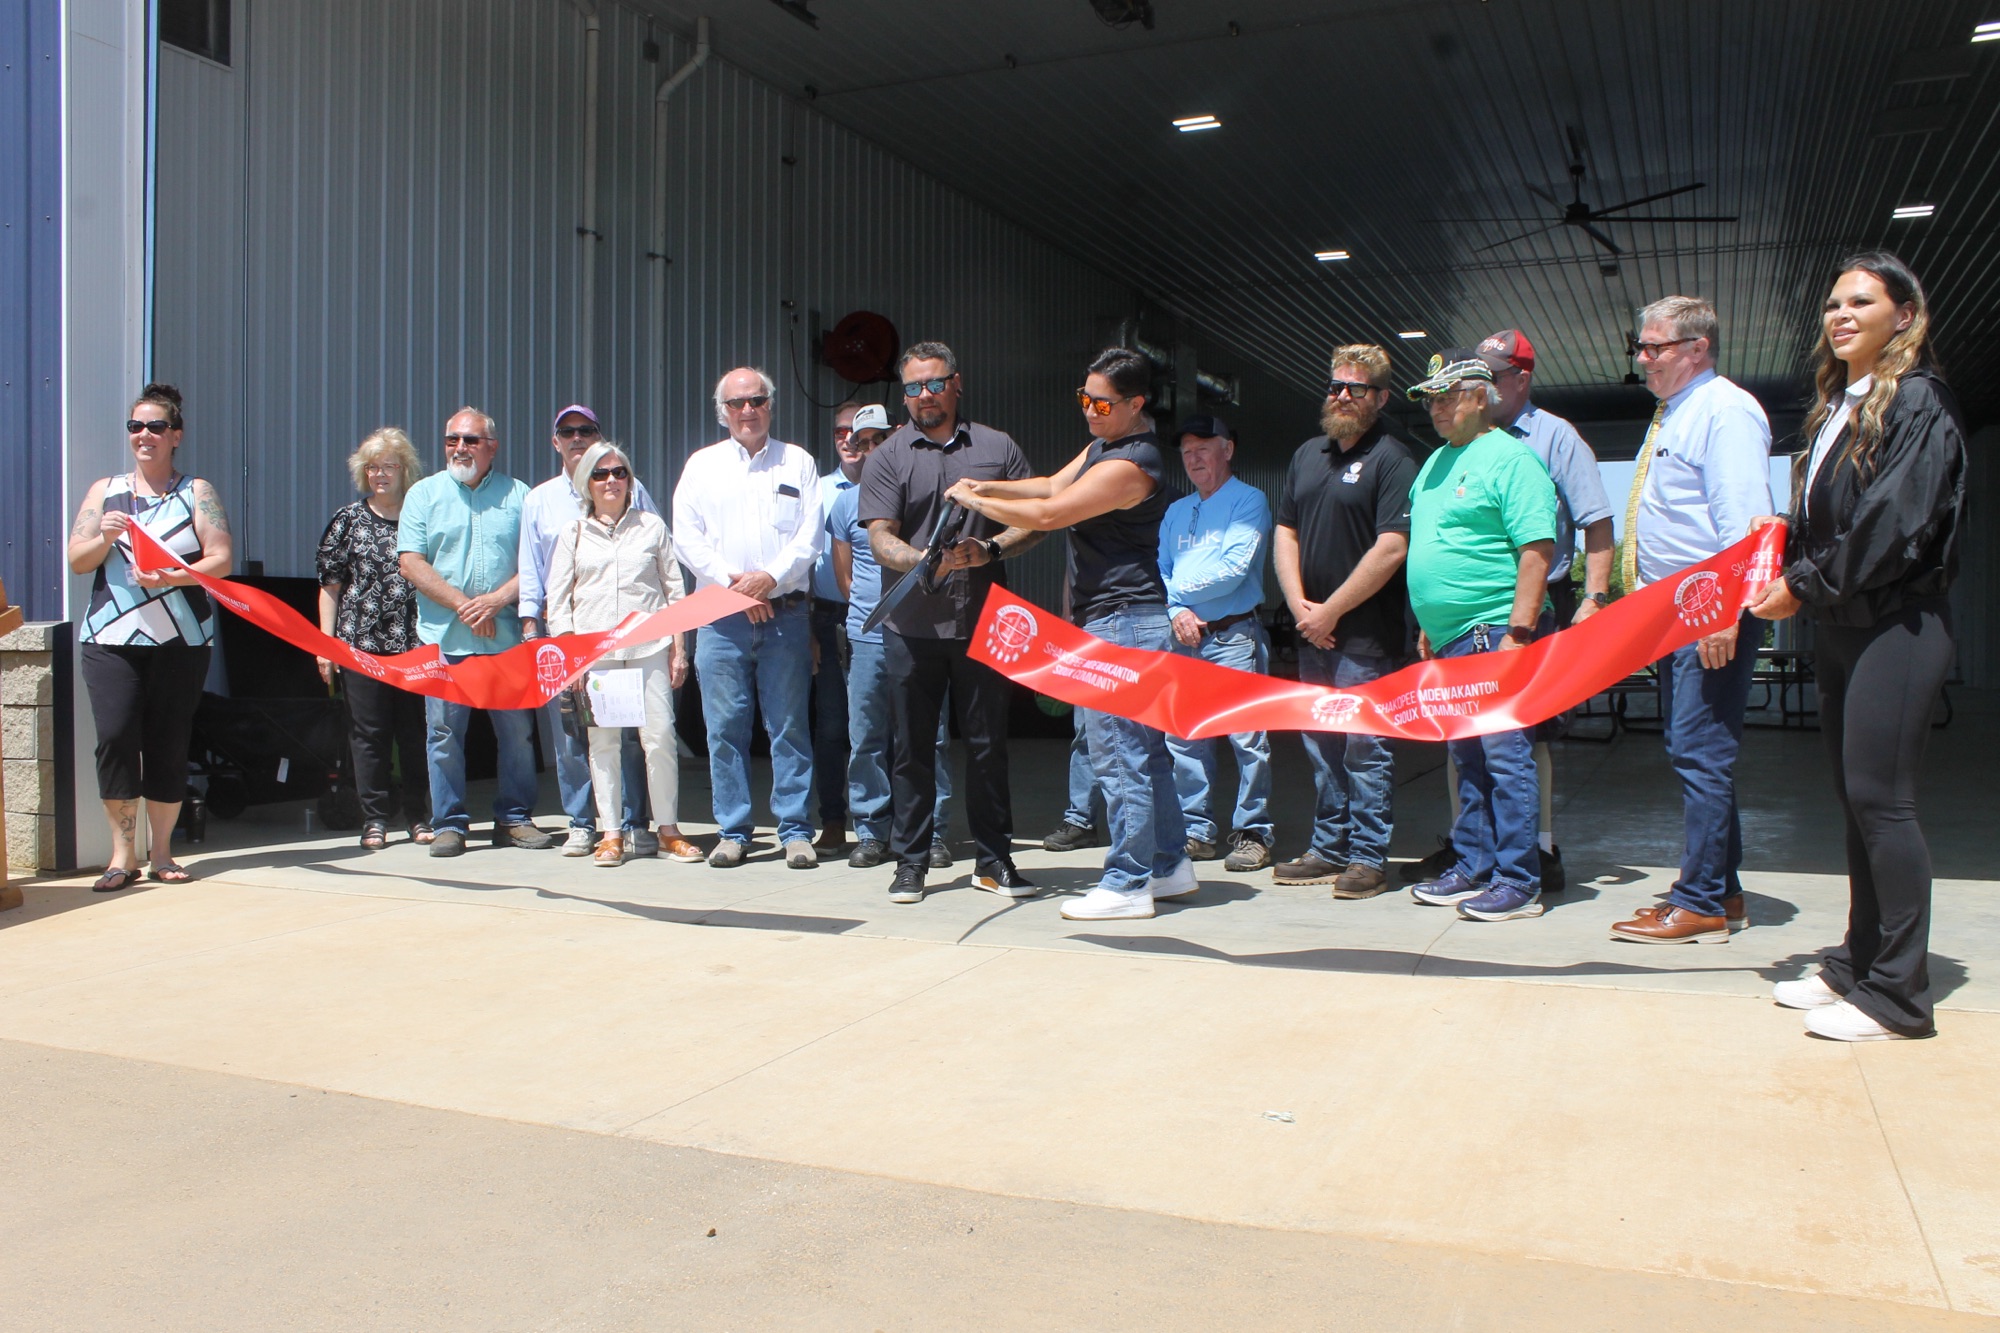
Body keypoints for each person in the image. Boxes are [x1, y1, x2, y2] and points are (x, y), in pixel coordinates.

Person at [1745, 253, 1964, 1040]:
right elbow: (1833, 514)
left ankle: (1898, 994)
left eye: (1861, 302)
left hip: (1896, 625)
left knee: (1884, 800)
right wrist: (1783, 548)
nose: (1840, 315)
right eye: (1834, 303)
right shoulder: (1844, 401)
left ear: (1903, 316)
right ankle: (1858, 960)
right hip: (1843, 623)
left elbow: (1893, 520)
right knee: (1854, 799)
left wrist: (1802, 582)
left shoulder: (1920, 401)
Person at [946, 347, 1187, 921]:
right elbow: (1052, 485)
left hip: (1126, 619)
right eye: (1084, 398)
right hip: (1119, 617)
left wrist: (975, 500)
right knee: (1146, 754)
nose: (1089, 410)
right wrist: (987, 486)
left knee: (1120, 753)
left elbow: (1055, 515)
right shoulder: (1105, 446)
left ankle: (1129, 882)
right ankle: (1169, 864)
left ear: (1136, 403)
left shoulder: (1135, 462)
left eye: (1101, 402)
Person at [1606, 297, 1773, 944]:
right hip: (1673, 615)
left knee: (1702, 753)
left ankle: (1699, 898)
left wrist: (1724, 615)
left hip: (1709, 612)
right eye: (1640, 347)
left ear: (1697, 348)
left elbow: (1743, 524)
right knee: (1690, 748)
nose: (1642, 359)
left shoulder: (1723, 410)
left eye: (1655, 348)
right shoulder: (1676, 413)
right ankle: (1720, 890)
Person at [859, 341, 1042, 905]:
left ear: (956, 383)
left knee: (988, 745)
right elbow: (879, 535)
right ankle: (910, 862)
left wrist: (990, 549)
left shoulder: (996, 447)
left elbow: (1035, 520)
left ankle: (994, 860)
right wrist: (922, 561)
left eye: (934, 383)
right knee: (912, 748)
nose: (924, 396)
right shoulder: (888, 455)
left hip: (984, 622)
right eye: (912, 388)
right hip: (912, 626)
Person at [1402, 351, 1557, 923]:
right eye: (1430, 400)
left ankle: (1519, 881)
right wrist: (1428, 622)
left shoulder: (1511, 459)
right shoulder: (1436, 462)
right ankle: (1474, 864)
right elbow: (1433, 546)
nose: (1437, 409)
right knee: (1466, 756)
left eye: (1447, 397)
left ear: (1479, 396)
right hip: (1449, 639)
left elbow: (1537, 549)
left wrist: (1519, 631)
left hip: (1494, 632)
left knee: (1503, 755)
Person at [67, 383, 234, 890]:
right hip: (110, 638)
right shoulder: (105, 491)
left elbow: (221, 560)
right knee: (117, 737)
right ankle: (122, 856)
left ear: (175, 436)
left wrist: (171, 577)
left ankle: (162, 852)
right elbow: (77, 561)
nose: (144, 435)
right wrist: (106, 536)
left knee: (167, 741)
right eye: (136, 426)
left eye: (156, 426)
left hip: (181, 639)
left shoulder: (196, 491)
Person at [1270, 345, 1418, 898]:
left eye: (1356, 388)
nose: (1342, 396)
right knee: (1321, 742)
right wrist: (1300, 605)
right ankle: (1329, 846)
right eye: (1335, 386)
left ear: (1379, 398)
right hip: (1314, 633)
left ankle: (1367, 856)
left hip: (1364, 637)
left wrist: (1330, 610)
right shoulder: (1308, 454)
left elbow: (1392, 547)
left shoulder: (1393, 458)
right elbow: (1286, 531)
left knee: (1364, 745)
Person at [672, 367, 824, 870]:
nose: (747, 410)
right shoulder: (701, 466)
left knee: (788, 726)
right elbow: (687, 540)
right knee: (725, 729)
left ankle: (796, 831)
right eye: (737, 403)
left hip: (785, 615)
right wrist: (739, 588)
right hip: (720, 619)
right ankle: (733, 831)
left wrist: (768, 579)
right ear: (723, 412)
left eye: (757, 400)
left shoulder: (797, 462)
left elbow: (808, 538)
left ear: (770, 405)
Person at [397, 407, 553, 858]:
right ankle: (449, 823)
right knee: (443, 734)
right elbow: (411, 562)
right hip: (444, 639)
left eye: (470, 440)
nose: (459, 448)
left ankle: (515, 818)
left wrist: (497, 599)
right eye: (452, 439)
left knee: (517, 735)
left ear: (492, 447)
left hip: (505, 640)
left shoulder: (519, 495)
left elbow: (537, 562)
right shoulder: (423, 495)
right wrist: (466, 605)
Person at [544, 441, 701, 866]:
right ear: (586, 483)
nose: (611, 480)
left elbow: (674, 590)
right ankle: (611, 833)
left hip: (651, 647)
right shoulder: (572, 534)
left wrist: (679, 648)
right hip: (599, 655)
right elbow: (557, 602)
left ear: (630, 480)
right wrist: (572, 655)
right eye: (600, 474)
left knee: (660, 738)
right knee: (604, 743)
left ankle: (667, 829)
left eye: (619, 473)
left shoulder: (651, 527)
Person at [518, 405, 661, 858]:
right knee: (572, 734)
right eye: (568, 431)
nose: (577, 437)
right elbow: (532, 569)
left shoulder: (631, 490)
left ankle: (634, 823)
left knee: (630, 736)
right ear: (555, 440)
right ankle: (583, 823)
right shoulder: (539, 499)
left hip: (630, 640)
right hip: (570, 634)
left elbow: (659, 558)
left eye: (587, 430)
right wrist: (530, 625)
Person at [827, 404, 955, 870]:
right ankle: (873, 831)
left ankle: (932, 831)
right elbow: (845, 577)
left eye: (878, 439)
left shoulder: (925, 493)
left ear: (897, 435)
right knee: (866, 738)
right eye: (861, 443)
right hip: (869, 637)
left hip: (923, 634)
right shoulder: (846, 503)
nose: (869, 449)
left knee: (929, 739)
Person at [1158, 414, 1276, 872]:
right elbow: (1162, 567)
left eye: (1203, 448)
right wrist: (1176, 612)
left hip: (1232, 635)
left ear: (1227, 450)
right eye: (1186, 452)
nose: (1193, 459)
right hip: (1183, 636)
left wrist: (1177, 599)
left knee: (1247, 737)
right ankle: (1196, 831)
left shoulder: (1249, 501)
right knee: (1184, 738)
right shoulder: (1175, 510)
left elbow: (1234, 568)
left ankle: (1253, 833)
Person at [315, 427, 432, 849]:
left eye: (389, 466)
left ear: (406, 471)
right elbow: (330, 586)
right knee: (368, 736)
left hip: (415, 648)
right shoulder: (347, 520)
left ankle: (419, 816)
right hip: (359, 646)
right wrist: (324, 646)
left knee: (416, 734)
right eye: (372, 467)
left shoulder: (423, 517)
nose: (380, 475)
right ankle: (375, 819)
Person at [809, 401, 866, 853]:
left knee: (879, 727)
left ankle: (880, 823)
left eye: (858, 432)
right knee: (831, 727)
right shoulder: (819, 491)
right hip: (827, 618)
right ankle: (833, 818)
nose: (848, 439)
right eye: (839, 432)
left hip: (881, 619)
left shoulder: (894, 484)